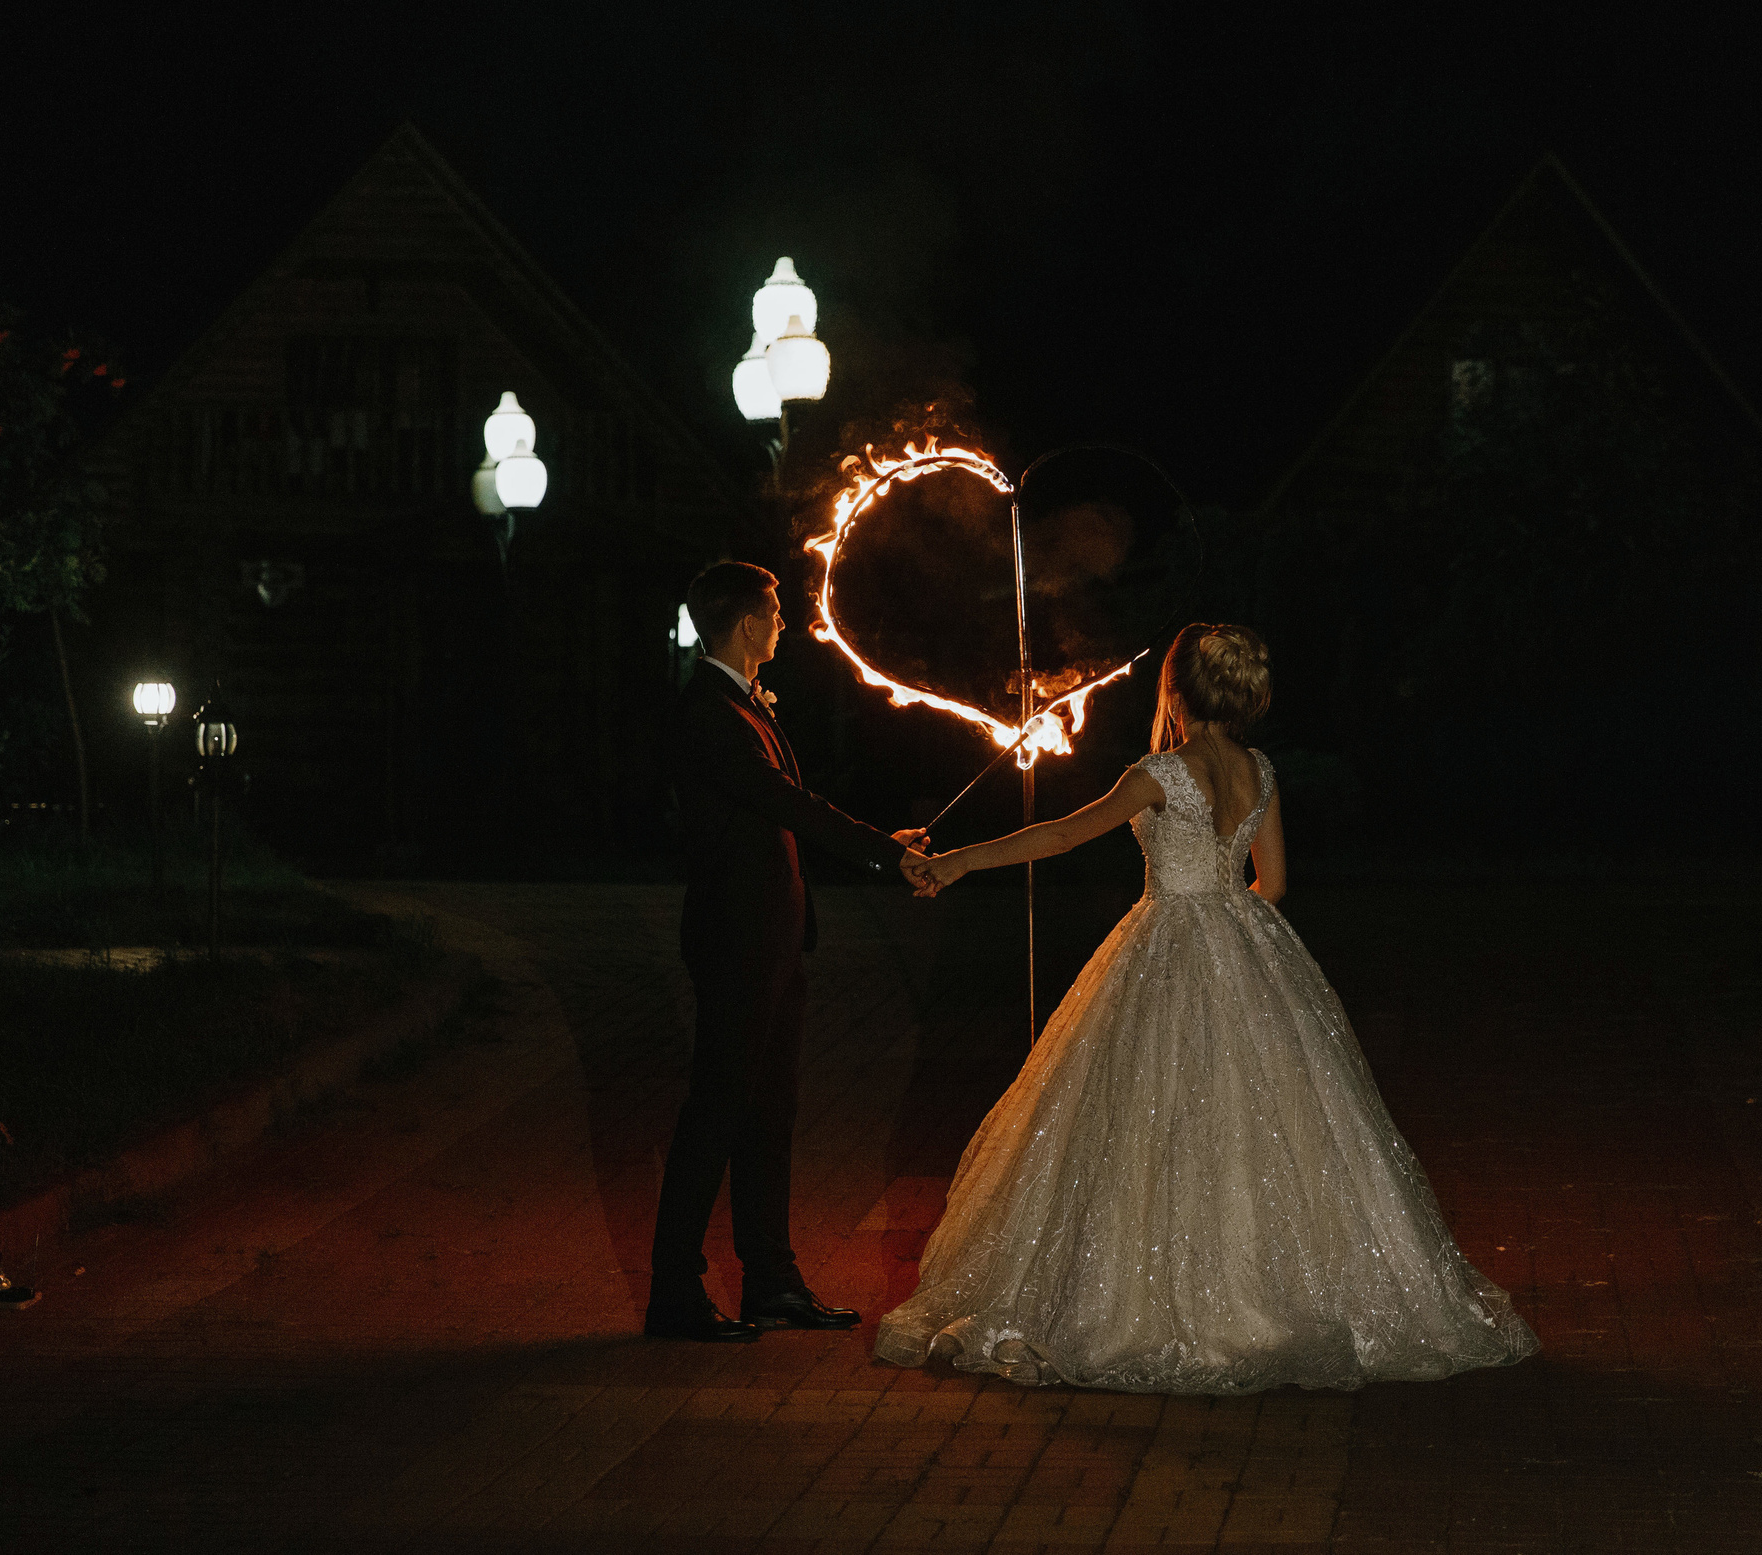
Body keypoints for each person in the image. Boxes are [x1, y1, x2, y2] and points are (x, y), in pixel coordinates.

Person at [875, 623, 1539, 1392]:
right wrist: (1232, 937)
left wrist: (957, 861)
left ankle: (1163, 1302)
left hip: (1167, 935)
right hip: (1249, 939)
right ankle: (1283, 1288)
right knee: (1265, 1118)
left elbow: (1062, 835)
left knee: (1148, 1117)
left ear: (1176, 693)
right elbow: (1276, 884)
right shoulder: (1259, 769)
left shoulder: (1161, 770)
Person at [647, 561, 934, 1343]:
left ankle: (771, 1281)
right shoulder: (710, 712)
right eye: (775, 612)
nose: (786, 624)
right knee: (716, 1110)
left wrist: (883, 845)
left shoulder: (742, 705)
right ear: (746, 624)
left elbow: (784, 819)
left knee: (769, 1114)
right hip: (736, 941)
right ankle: (673, 1292)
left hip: (772, 939)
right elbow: (785, 803)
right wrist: (883, 852)